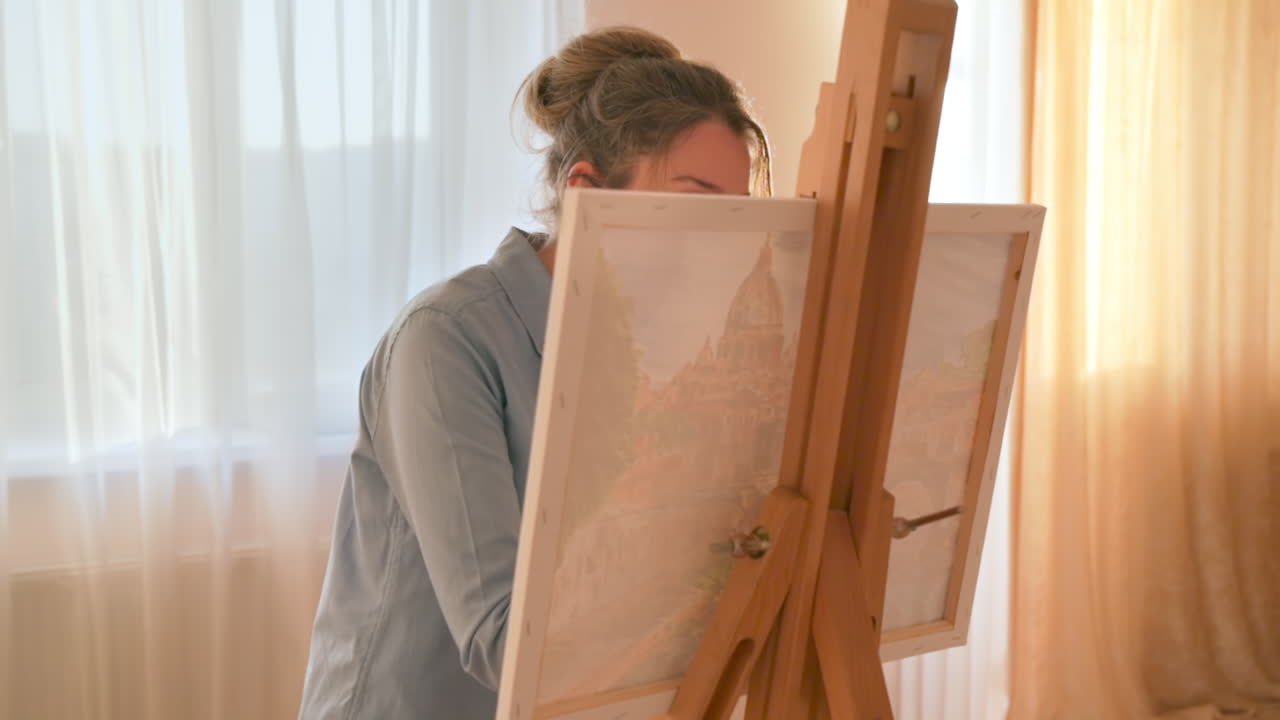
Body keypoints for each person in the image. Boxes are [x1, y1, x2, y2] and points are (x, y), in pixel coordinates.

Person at [297, 26, 773, 719]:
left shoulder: (643, 352)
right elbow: (502, 633)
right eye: (691, 203)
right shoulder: (447, 341)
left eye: (733, 221)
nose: (715, 249)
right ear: (586, 192)